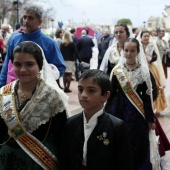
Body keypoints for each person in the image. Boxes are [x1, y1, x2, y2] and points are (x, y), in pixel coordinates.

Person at [0, 41, 69, 169]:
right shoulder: (4, 93)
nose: (22, 70)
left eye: (29, 64)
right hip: (5, 159)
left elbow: (62, 137)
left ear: (40, 65)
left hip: (38, 161)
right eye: (17, 64)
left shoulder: (53, 97)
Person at [59, 69, 133, 170]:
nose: (83, 95)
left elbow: (124, 164)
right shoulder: (71, 123)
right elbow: (64, 158)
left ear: (105, 95)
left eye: (91, 90)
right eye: (80, 90)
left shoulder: (116, 127)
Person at [105, 38, 160, 169]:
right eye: (126, 50)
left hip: (137, 112)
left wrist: (150, 119)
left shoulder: (144, 72)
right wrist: (105, 111)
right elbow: (111, 93)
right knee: (117, 141)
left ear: (138, 52)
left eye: (132, 50)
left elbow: (148, 97)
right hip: (117, 109)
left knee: (136, 142)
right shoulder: (117, 70)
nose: (129, 53)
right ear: (123, 51)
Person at [0, 5, 65, 88]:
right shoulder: (14, 39)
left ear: (39, 22)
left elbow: (60, 67)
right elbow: (6, 65)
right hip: (14, 90)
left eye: (30, 18)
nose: (26, 21)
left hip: (39, 93)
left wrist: (42, 80)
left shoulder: (50, 43)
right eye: (25, 17)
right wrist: (2, 86)